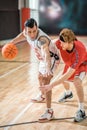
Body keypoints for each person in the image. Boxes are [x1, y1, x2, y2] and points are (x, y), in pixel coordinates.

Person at [10, 18, 60, 122]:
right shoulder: (26, 32)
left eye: (34, 31)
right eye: (29, 32)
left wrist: (47, 67)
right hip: (42, 59)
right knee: (39, 77)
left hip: (51, 59)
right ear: (26, 29)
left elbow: (46, 52)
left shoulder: (42, 39)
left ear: (37, 28)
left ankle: (49, 111)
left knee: (46, 81)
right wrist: (12, 42)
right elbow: (22, 35)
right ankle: (42, 96)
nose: (32, 34)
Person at [40, 28, 87, 122]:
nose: (60, 45)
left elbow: (68, 74)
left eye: (62, 43)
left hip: (82, 65)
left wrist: (51, 85)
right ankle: (68, 93)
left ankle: (82, 110)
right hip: (70, 63)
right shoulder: (61, 42)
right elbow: (48, 42)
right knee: (64, 80)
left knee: (76, 82)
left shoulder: (79, 51)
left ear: (70, 42)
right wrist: (44, 46)